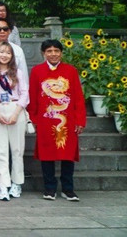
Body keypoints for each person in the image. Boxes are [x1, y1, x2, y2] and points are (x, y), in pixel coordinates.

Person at [28, 39, 86, 202]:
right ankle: (50, 188)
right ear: (43, 53)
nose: (53, 54)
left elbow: (78, 98)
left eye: (56, 51)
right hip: (46, 119)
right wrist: (33, 117)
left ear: (61, 53)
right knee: (47, 154)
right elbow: (33, 95)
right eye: (49, 51)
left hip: (67, 120)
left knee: (67, 154)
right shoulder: (37, 71)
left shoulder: (70, 71)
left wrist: (80, 120)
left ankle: (68, 189)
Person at [0, 41, 29, 201]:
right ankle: (3, 185)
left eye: (8, 53)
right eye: (1, 52)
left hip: (15, 108)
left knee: (17, 150)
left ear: (12, 56)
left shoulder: (17, 73)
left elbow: (25, 93)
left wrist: (16, 113)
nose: (4, 55)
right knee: (0, 149)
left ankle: (17, 183)